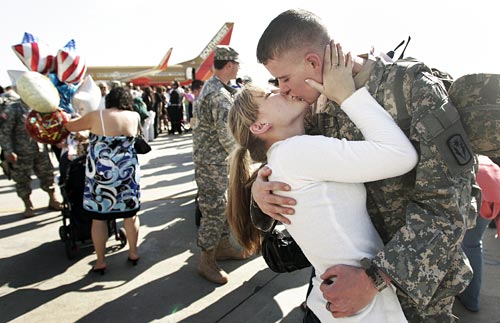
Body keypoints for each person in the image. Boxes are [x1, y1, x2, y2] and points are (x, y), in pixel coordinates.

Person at [251, 9, 477, 322]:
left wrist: (375, 277)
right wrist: (260, 192)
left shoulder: (413, 89)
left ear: (313, 63)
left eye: (284, 79)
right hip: (345, 290)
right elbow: (294, 162)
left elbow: (449, 206)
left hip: (414, 292)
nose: (283, 89)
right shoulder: (315, 103)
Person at [227, 43, 416, 322]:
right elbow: (401, 156)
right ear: (259, 126)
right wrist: (349, 96)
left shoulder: (287, 156)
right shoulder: (295, 153)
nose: (282, 90)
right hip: (359, 308)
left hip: (341, 302)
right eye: (270, 93)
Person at [64, 86, 141, 273]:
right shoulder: (134, 116)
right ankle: (133, 253)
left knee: (98, 220)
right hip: (127, 173)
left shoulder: (97, 115)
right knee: (130, 216)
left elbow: (70, 126)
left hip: (101, 175)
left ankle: (100, 261)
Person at [192, 45, 249, 284]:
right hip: (212, 163)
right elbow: (227, 135)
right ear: (229, 65)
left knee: (223, 204)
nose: (238, 68)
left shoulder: (216, 87)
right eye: (237, 64)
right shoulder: (218, 94)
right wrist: (246, 157)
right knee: (214, 208)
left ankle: (223, 246)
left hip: (215, 161)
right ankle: (206, 261)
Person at [0, 100, 62, 217]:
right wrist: (8, 151)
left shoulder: (40, 106)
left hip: (40, 149)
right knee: (22, 179)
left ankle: (53, 199)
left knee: (47, 174)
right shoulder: (13, 109)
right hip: (21, 152)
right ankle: (28, 205)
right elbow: (4, 132)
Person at [458, 155, 500, 312]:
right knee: (472, 243)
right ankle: (470, 298)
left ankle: (470, 299)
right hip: (496, 190)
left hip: (480, 192)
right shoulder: (482, 157)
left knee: (469, 244)